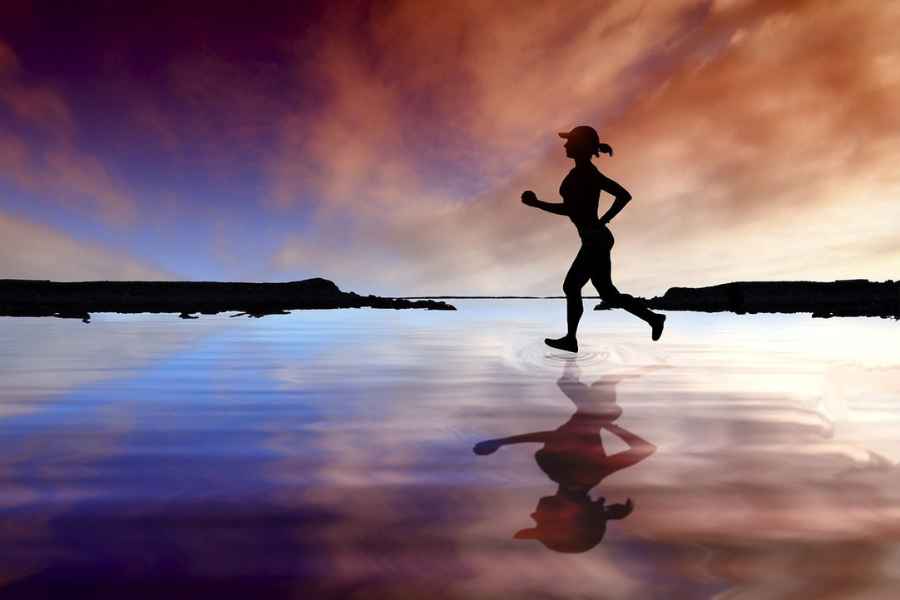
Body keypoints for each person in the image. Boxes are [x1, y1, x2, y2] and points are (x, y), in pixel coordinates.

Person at [473, 361, 655, 553]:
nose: (534, 515)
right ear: (573, 517)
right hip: (598, 409)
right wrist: (606, 424)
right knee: (596, 381)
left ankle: (574, 356)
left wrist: (500, 442)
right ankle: (575, 355)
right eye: (543, 522)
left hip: (599, 412)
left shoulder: (582, 477)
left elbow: (554, 436)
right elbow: (645, 448)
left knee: (598, 381)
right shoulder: (581, 475)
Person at [521, 125, 665, 352]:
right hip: (595, 239)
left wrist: (602, 220)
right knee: (607, 293)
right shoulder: (581, 173)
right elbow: (577, 208)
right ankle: (653, 319)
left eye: (570, 141)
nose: (565, 145)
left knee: (572, 286)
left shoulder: (587, 173)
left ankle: (571, 339)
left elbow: (618, 197)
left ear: (581, 146)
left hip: (595, 240)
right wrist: (539, 204)